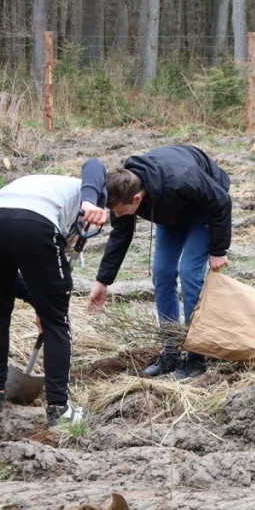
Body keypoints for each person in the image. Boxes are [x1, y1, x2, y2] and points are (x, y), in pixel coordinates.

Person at [0, 160, 108, 424]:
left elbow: (14, 280)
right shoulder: (86, 192)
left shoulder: (48, 187)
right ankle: (59, 409)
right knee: (57, 320)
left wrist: (41, 301)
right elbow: (94, 164)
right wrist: (50, 309)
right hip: (36, 224)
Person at [86, 145, 231, 380]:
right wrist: (102, 281)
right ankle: (171, 350)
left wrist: (218, 249)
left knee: (189, 273)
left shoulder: (183, 178)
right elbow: (120, 236)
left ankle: (197, 355)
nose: (118, 216)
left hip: (206, 206)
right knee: (162, 272)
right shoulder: (123, 190)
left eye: (121, 212)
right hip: (170, 210)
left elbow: (221, 201)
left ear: (136, 198)